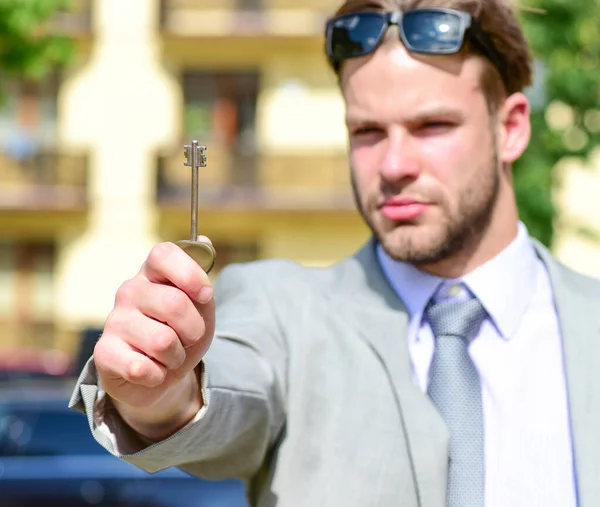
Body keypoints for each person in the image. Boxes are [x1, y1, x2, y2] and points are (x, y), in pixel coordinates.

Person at [69, 0, 600, 506]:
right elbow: (227, 389)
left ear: (511, 128)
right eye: (366, 131)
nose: (393, 165)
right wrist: (162, 395)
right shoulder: (283, 310)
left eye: (431, 126)